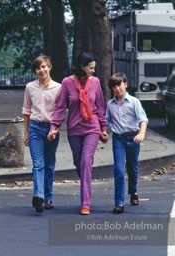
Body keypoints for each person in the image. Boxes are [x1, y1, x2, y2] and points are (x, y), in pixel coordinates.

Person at [48, 52, 108, 215]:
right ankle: (86, 183)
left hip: (92, 128)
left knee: (86, 161)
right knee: (78, 163)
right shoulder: (67, 83)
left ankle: (85, 203)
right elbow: (60, 108)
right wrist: (54, 127)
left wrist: (103, 128)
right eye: (91, 68)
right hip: (74, 129)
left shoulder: (95, 82)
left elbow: (100, 107)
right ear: (82, 67)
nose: (93, 71)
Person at [22, 55, 61, 213]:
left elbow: (59, 113)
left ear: (50, 67)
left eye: (44, 66)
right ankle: (38, 196)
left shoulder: (58, 88)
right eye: (38, 68)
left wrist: (55, 130)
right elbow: (26, 110)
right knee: (38, 164)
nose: (41, 70)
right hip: (35, 128)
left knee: (49, 165)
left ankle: (48, 197)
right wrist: (25, 132)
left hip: (51, 129)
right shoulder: (30, 87)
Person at [106, 72, 148, 214]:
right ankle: (119, 202)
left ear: (125, 84)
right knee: (118, 169)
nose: (117, 88)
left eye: (119, 85)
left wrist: (141, 133)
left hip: (133, 138)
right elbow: (107, 121)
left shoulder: (134, 102)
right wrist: (103, 131)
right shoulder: (110, 105)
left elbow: (143, 119)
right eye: (114, 86)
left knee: (132, 167)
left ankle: (133, 191)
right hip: (118, 139)